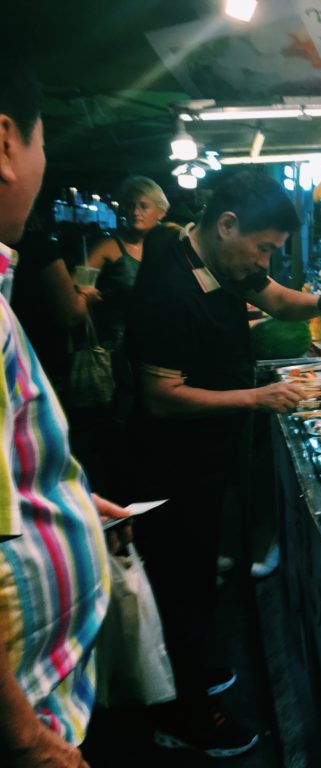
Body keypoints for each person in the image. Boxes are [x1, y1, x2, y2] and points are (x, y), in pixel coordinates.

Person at [124, 169, 321, 757]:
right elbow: (162, 396)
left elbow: (278, 298)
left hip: (210, 457)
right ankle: (184, 716)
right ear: (226, 224)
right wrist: (257, 398)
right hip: (168, 468)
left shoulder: (225, 262)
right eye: (262, 248)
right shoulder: (168, 285)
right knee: (179, 582)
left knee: (202, 577)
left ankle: (191, 671)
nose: (262, 261)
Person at [0, 53, 129, 768]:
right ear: (5, 145)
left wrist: (69, 501)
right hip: (26, 725)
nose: (47, 161)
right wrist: (22, 739)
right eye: (45, 140)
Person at [10, 224, 100, 391]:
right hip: (41, 353)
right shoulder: (40, 246)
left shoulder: (11, 244)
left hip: (12, 351)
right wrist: (86, 297)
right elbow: (71, 314)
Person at [87, 176, 169, 354]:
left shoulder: (170, 247)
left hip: (160, 343)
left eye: (143, 206)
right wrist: (86, 295)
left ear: (160, 212)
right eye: (131, 206)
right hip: (118, 348)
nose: (135, 212)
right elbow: (78, 285)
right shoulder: (108, 247)